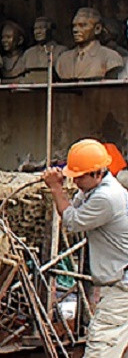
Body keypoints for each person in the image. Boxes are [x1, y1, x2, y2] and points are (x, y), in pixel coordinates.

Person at [42, 139, 128, 357]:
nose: (76, 181)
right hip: (121, 281)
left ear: (97, 173)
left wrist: (55, 188)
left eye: (80, 177)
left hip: (122, 287)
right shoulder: (101, 187)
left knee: (100, 348)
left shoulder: (107, 198)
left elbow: (71, 221)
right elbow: (77, 204)